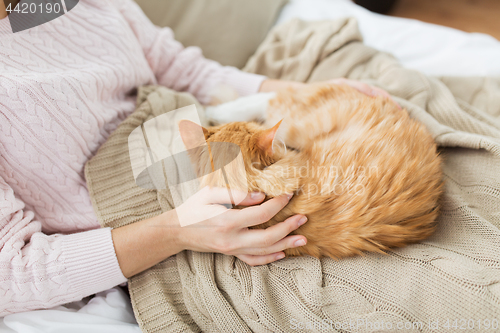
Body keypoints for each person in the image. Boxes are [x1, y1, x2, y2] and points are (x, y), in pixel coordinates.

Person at [0, 0, 390, 316]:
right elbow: (11, 274)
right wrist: (180, 230)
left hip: (211, 139)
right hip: (154, 226)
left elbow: (181, 70)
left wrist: (305, 92)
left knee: (391, 113)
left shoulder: (57, 5)